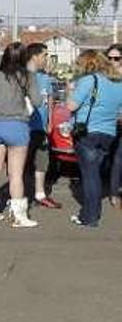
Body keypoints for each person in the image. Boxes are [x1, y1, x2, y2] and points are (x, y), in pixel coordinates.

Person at [0, 42, 42, 228]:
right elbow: (38, 102)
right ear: (24, 57)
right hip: (17, 126)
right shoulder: (28, 77)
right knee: (15, 174)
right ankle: (18, 215)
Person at [67, 50, 122, 227]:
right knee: (95, 174)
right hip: (109, 133)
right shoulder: (117, 83)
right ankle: (90, 214)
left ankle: (89, 217)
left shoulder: (88, 80)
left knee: (89, 175)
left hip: (87, 132)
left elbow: (71, 105)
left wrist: (70, 91)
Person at [25, 43, 61, 209]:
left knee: (42, 162)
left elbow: (50, 101)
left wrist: (50, 122)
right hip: (24, 129)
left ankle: (40, 194)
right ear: (35, 56)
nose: (47, 59)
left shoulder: (46, 79)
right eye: (45, 55)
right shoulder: (22, 76)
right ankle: (18, 196)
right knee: (22, 164)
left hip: (41, 129)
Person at [105, 44, 122, 209]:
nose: (112, 61)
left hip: (120, 121)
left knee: (118, 158)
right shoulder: (102, 76)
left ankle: (114, 193)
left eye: (116, 58)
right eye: (109, 58)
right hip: (105, 122)